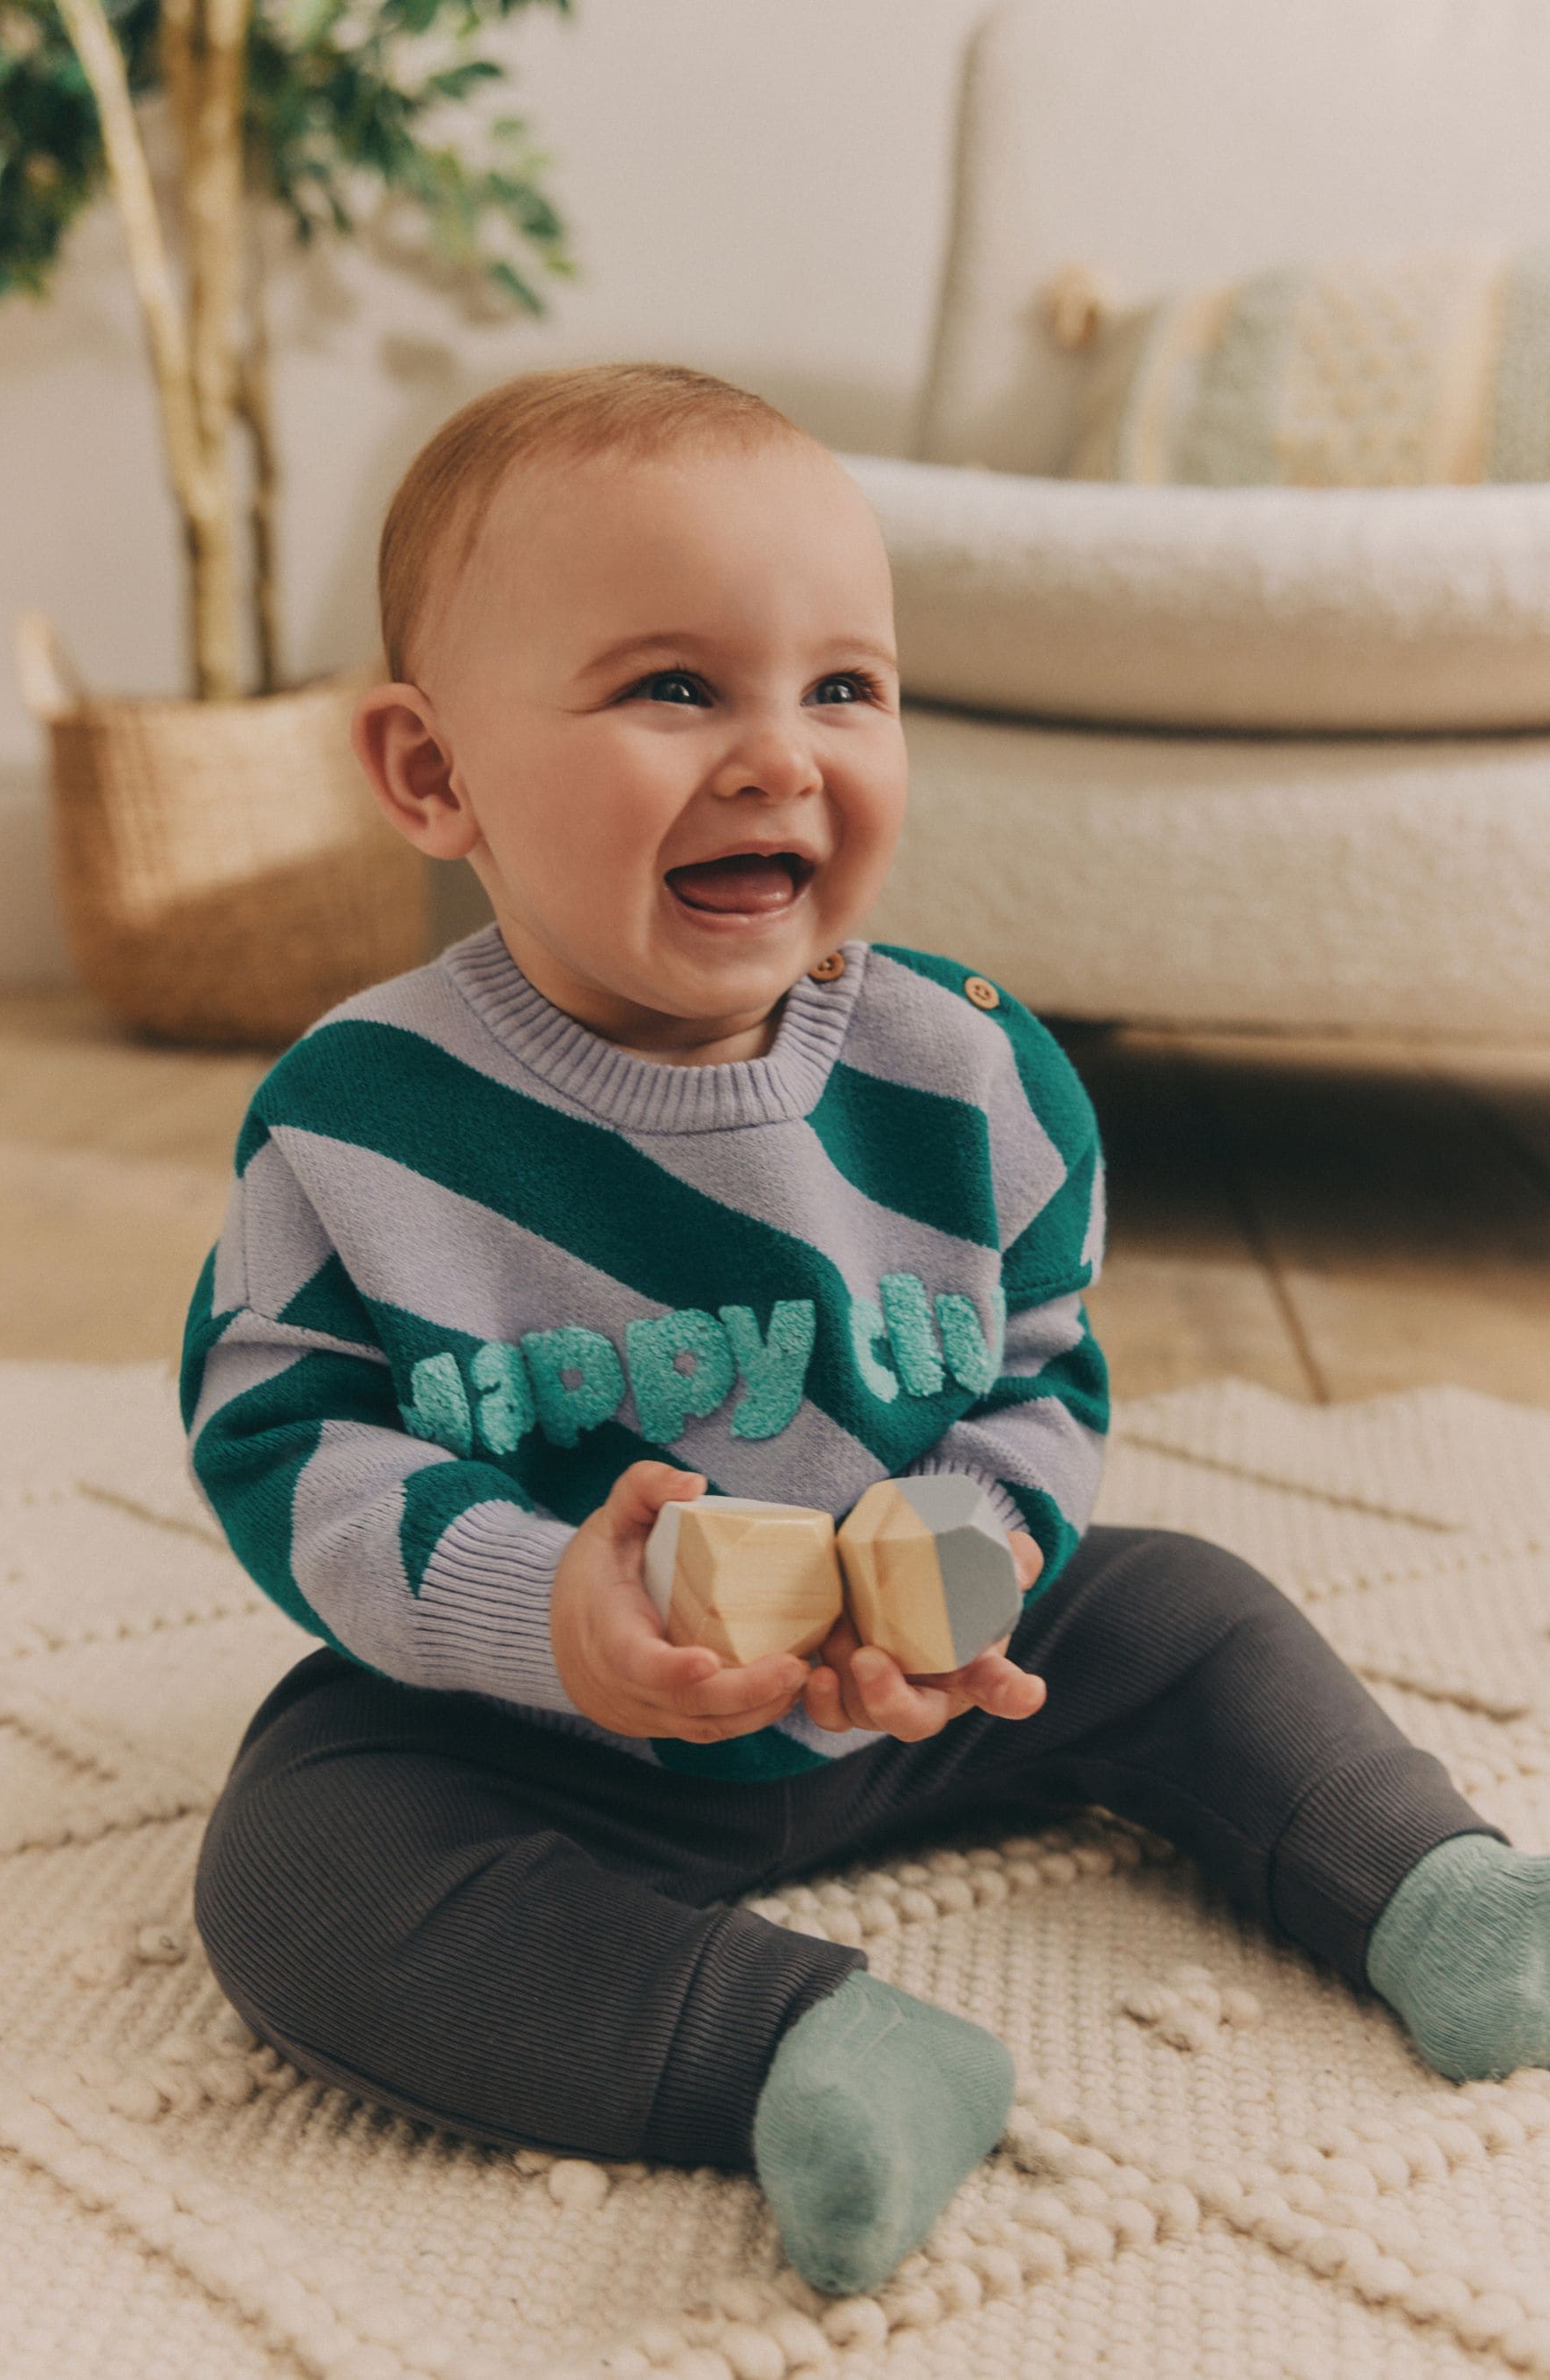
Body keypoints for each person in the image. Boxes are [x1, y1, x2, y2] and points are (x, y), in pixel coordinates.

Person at [182, 361, 1546, 2302]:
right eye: (674, 687)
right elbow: (289, 1442)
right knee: (293, 1865)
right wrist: (546, 1613)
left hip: (933, 1681)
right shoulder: (357, 1121)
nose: (777, 754)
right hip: (554, 1723)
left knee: (1192, 1615)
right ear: (432, 775)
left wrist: (980, 1565)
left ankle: (1442, 1892)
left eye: (844, 686)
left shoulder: (963, 1065)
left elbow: (1039, 1372)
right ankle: (801, 2047)